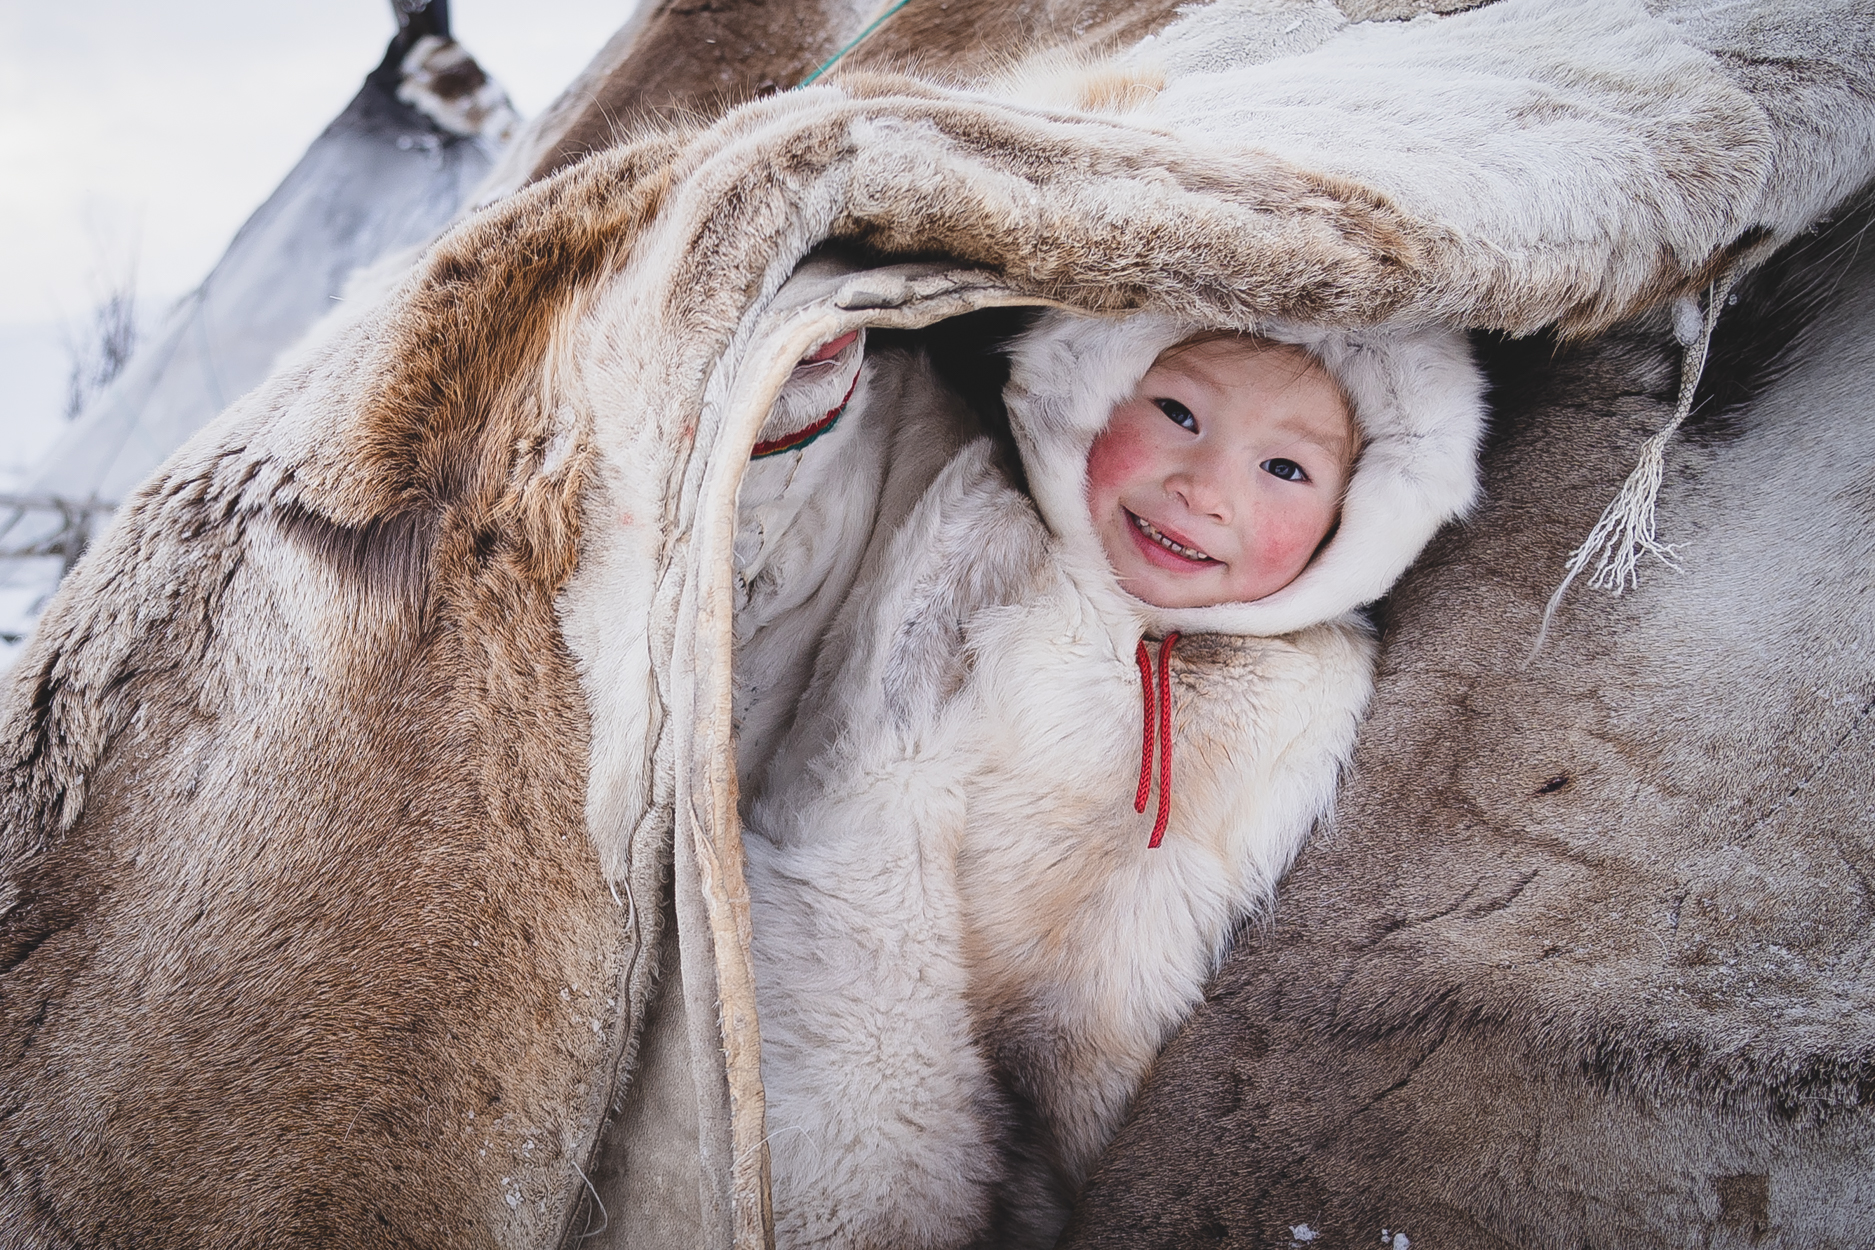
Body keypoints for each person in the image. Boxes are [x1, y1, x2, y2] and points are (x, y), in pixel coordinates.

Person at [735, 309, 1487, 1249]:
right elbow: (787, 506)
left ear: (1361, 516)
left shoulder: (1329, 694)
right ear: (1089, 392)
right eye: (1177, 412)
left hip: (1090, 1173)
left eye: (1285, 469)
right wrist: (806, 383)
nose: (1204, 489)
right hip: (809, 1084)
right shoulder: (961, 497)